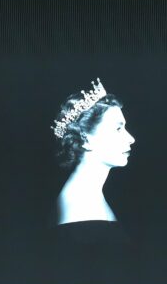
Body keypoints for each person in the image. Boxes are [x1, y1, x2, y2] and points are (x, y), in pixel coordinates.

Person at [53, 79, 135, 224]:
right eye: (118, 129)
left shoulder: (89, 195)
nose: (131, 138)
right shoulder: (79, 210)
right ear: (85, 140)